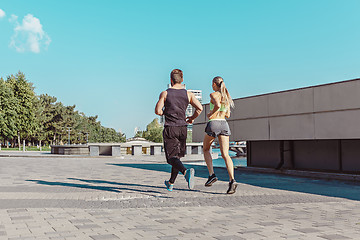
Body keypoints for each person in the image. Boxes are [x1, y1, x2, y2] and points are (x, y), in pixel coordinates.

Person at [155, 69, 203, 191]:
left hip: (170, 128)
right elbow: (200, 108)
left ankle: (185, 172)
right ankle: (171, 183)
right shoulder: (189, 94)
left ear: (171, 80)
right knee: (176, 157)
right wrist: (192, 118)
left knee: (171, 158)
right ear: (182, 80)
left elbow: (158, 111)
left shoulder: (165, 93)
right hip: (183, 128)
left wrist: (165, 111)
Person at [203, 76, 237, 194]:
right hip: (224, 124)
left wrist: (211, 113)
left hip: (214, 123)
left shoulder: (214, 94)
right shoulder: (226, 97)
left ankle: (211, 175)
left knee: (206, 149)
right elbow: (227, 114)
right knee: (226, 155)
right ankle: (232, 180)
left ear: (214, 84)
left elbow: (217, 105)